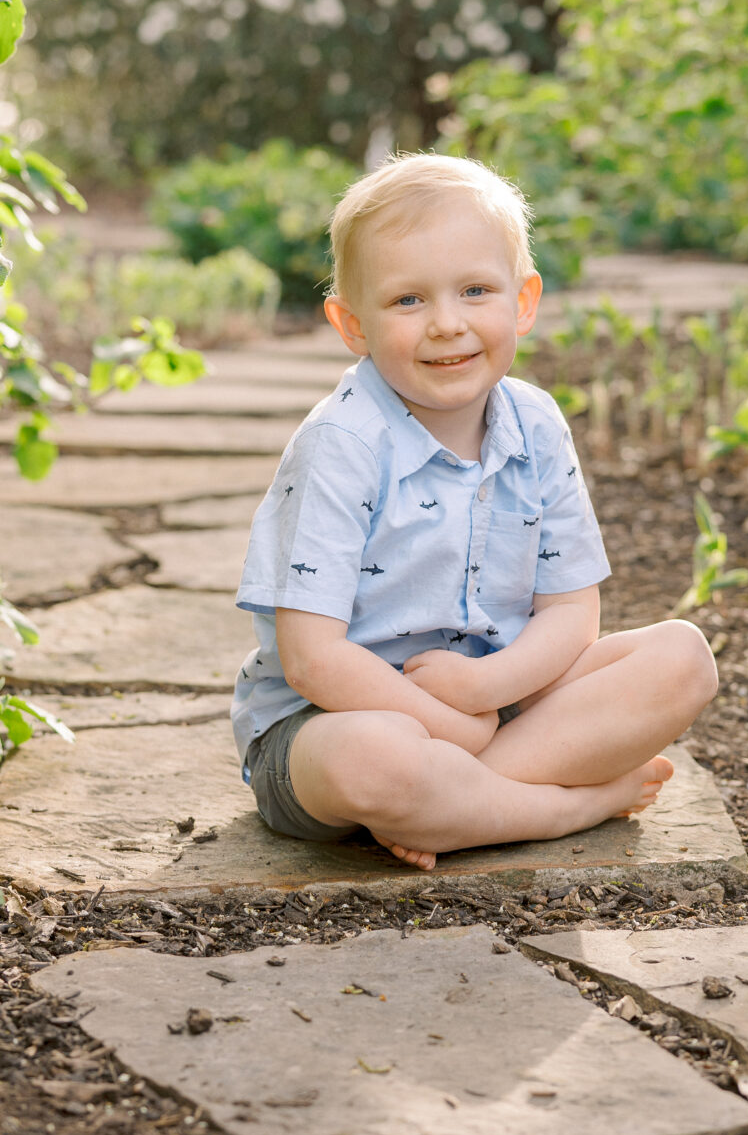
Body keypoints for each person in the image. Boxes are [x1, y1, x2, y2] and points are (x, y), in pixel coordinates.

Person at [227, 154, 719, 870]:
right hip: (331, 727)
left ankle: (458, 808)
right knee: (378, 761)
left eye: (475, 290)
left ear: (523, 301)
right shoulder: (341, 445)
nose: (446, 324)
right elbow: (312, 659)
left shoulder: (537, 425)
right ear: (352, 323)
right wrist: (448, 727)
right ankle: (566, 808)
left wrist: (485, 691)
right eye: (407, 301)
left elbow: (572, 615)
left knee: (682, 658)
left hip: (496, 699)